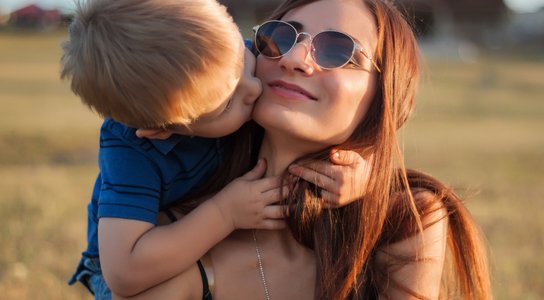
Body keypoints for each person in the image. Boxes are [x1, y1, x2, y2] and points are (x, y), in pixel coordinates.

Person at [113, 0, 492, 299]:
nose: (293, 59)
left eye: (336, 50)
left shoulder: (403, 219)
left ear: (386, 96)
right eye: (280, 37)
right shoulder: (172, 229)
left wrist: (372, 177)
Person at [61, 0, 369, 299]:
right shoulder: (131, 148)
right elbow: (124, 273)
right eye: (228, 104)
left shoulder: (222, 55)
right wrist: (225, 213)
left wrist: (363, 174)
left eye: (247, 65)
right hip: (135, 259)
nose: (256, 89)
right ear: (162, 130)